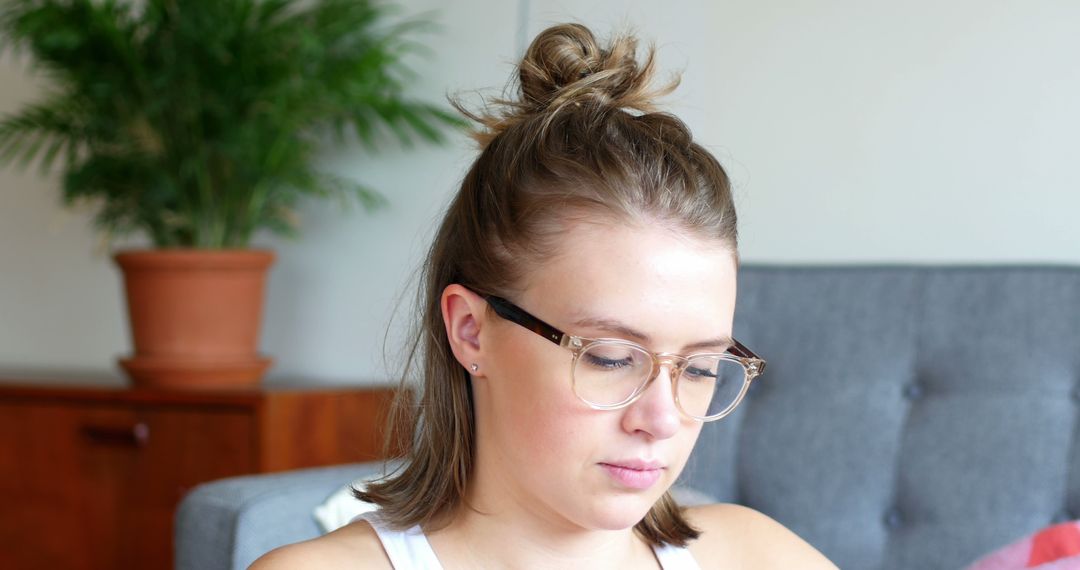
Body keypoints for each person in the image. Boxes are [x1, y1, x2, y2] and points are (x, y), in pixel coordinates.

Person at [252, 22, 837, 570]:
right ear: (470, 330)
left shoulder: (754, 555)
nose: (662, 420)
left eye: (701, 368)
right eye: (610, 356)